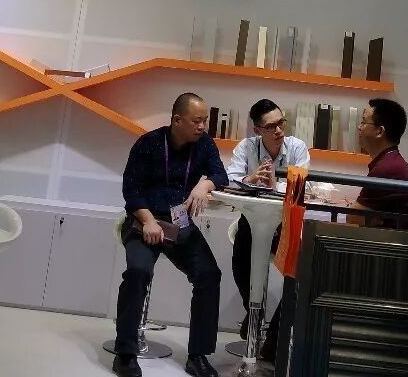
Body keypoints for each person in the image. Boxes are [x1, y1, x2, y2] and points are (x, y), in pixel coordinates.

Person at [115, 92, 228, 377]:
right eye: (197, 121)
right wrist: (148, 221)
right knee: (138, 272)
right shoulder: (148, 143)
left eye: (205, 121)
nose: (202, 127)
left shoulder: (204, 144)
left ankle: (198, 355)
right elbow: (131, 190)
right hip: (144, 222)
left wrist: (204, 186)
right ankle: (125, 354)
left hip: (180, 224)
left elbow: (220, 174)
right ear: (177, 120)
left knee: (209, 275)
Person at [225, 98, 310, 361]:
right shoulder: (246, 147)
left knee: (298, 277)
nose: (279, 130)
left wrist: (275, 186)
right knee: (240, 262)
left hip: (285, 223)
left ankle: (273, 340)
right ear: (257, 130)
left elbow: (302, 186)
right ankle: (255, 311)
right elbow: (228, 179)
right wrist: (249, 179)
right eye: (271, 126)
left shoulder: (297, 147)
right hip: (252, 221)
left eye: (281, 123)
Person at [350, 97, 408, 231]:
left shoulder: (387, 169)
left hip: (395, 243)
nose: (359, 127)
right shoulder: (391, 161)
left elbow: (353, 218)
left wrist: (369, 217)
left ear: (380, 131)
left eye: (363, 122)